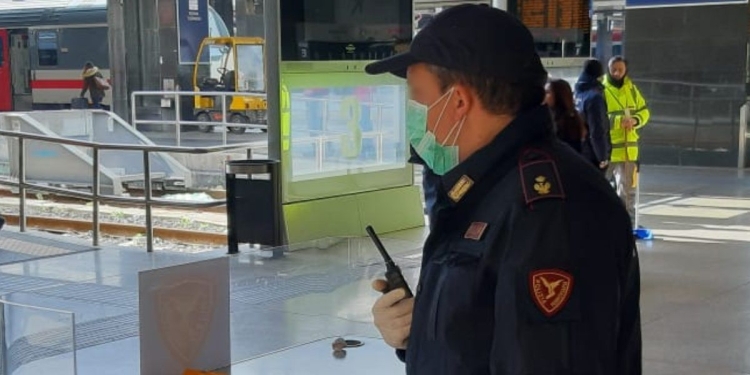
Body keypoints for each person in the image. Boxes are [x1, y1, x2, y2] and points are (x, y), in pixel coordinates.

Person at [365, 4, 641, 374]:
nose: (412, 110)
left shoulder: (550, 212)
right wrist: (415, 335)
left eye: (417, 95)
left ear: (458, 101)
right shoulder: (483, 189)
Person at [604, 56, 651, 229]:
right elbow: (597, 117)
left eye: (620, 70)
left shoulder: (631, 89)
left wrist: (636, 120)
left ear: (626, 71)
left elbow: (644, 111)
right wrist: (618, 121)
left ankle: (627, 225)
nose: (616, 73)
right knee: (599, 188)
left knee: (628, 191)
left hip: (629, 151)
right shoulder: (603, 90)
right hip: (608, 150)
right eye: (613, 69)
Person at [574, 59, 611, 174]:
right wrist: (602, 157)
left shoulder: (578, 94)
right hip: (593, 155)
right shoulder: (594, 98)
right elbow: (597, 131)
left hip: (580, 151)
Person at [545, 78, 587, 153]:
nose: (544, 96)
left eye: (548, 92)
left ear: (559, 95)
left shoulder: (568, 120)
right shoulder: (550, 116)